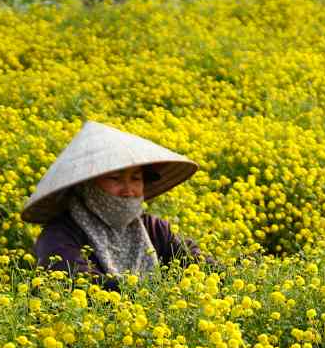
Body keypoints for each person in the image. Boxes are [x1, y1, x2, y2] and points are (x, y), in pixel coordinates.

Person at [23, 121, 211, 284]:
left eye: (136, 178)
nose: (128, 190)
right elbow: (80, 285)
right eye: (115, 179)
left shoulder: (155, 229)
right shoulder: (60, 235)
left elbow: (196, 263)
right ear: (87, 185)